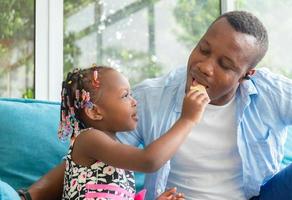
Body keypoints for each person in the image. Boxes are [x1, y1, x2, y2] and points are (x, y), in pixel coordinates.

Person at [22, 10, 292, 200]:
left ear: (247, 75)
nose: (205, 67)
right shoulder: (151, 97)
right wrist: (29, 196)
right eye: (204, 49)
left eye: (225, 65)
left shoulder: (272, 92)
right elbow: (97, 154)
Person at [55, 65, 209, 200]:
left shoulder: (118, 156)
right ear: (94, 111)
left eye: (131, 95)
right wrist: (187, 119)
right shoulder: (89, 139)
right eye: (125, 95)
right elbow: (149, 161)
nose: (134, 101)